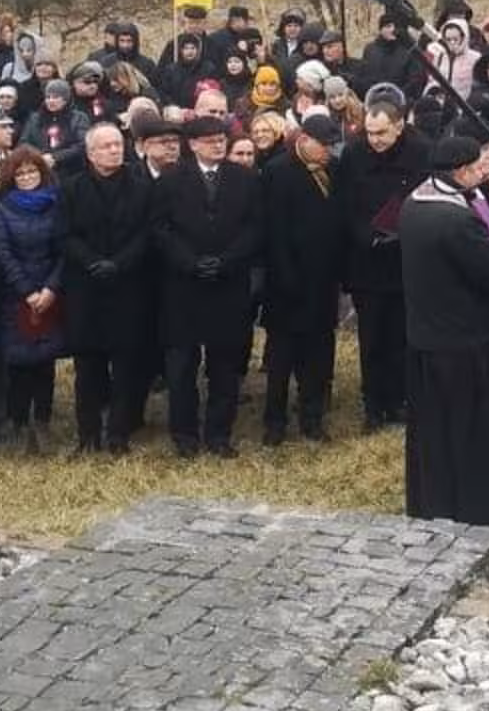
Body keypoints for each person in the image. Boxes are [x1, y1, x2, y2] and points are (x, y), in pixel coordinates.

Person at [400, 135, 489, 530]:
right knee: (472, 435)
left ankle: (435, 504)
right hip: (466, 342)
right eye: (478, 167)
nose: (483, 173)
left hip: (427, 336)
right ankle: (479, 513)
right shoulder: (457, 220)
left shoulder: (414, 203)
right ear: (460, 170)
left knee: (435, 435)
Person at [153, 115, 264, 457]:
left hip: (227, 284)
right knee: (182, 365)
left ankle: (219, 434)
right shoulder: (171, 179)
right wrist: (189, 262)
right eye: (211, 140)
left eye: (221, 139)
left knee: (224, 364)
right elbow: (160, 229)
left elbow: (254, 227)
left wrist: (227, 260)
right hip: (184, 286)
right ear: (193, 145)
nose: (218, 145)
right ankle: (184, 435)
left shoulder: (245, 178)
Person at [334, 95, 429, 431]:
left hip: (405, 258)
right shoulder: (354, 154)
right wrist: (365, 235)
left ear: (399, 126)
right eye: (370, 133)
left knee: (401, 335)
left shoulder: (420, 152)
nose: (374, 140)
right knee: (372, 336)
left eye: (381, 133)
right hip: (367, 262)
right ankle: (373, 404)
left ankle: (398, 399)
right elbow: (345, 203)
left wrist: (402, 232)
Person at [63, 122, 153, 454]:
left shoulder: (141, 188)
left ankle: (119, 434)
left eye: (117, 144)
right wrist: (92, 262)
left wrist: (119, 263)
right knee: (87, 367)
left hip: (128, 285)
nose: (114, 150)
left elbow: (147, 233)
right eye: (106, 146)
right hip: (85, 287)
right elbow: (65, 234)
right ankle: (88, 435)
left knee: (126, 364)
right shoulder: (71, 188)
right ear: (90, 153)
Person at [260, 113, 344, 444]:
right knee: (281, 358)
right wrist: (286, 277)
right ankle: (275, 422)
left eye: (332, 146)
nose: (329, 152)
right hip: (288, 283)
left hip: (323, 281)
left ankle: (312, 417)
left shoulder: (332, 170)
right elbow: (273, 230)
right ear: (304, 140)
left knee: (318, 355)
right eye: (324, 145)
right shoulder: (278, 171)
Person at [0, 147, 65, 453]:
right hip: (15, 294)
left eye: (32, 171)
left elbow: (63, 250)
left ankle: (43, 420)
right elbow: (3, 253)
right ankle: (18, 421)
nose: (27, 177)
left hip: (50, 291)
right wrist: (27, 291)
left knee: (46, 360)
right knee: (18, 361)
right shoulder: (0, 209)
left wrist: (51, 288)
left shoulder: (58, 204)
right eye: (20, 173)